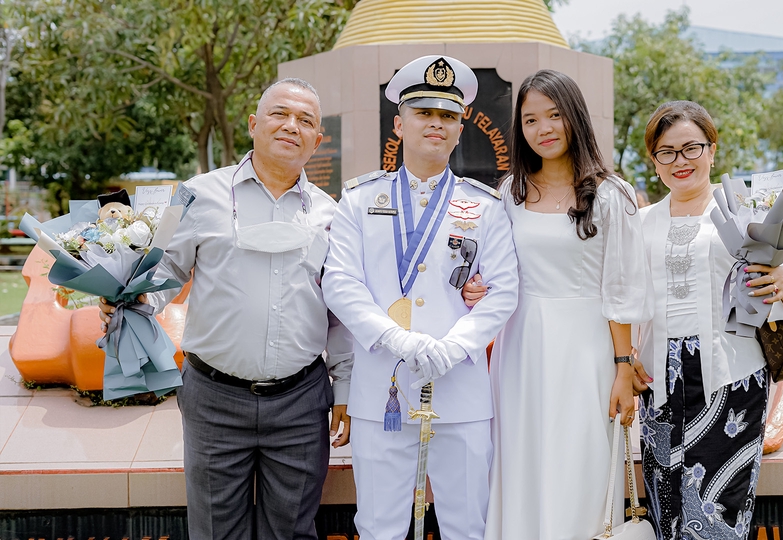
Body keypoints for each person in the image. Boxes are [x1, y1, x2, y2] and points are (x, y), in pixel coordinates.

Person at [99, 78, 353, 540]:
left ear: (317, 140)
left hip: (301, 402)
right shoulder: (196, 194)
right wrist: (131, 298)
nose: (291, 126)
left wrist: (348, 388)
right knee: (215, 532)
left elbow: (339, 311)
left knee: (293, 531)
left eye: (306, 121)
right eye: (279, 114)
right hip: (214, 398)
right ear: (254, 124)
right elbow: (165, 269)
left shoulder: (332, 213)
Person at [321, 55, 519, 540]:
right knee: (378, 525)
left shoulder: (486, 206)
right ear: (399, 122)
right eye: (424, 113)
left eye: (448, 116)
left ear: (460, 128)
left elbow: (503, 291)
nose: (436, 124)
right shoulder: (360, 200)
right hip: (383, 389)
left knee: (466, 524)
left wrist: (452, 347)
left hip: (461, 390)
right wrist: (398, 340)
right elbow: (341, 283)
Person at [465, 69, 654, 540]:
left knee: (582, 462)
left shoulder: (612, 194)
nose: (543, 129)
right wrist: (479, 288)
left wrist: (624, 369)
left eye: (554, 115)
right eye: (530, 120)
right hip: (520, 348)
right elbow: (499, 272)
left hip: (588, 348)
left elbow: (622, 289)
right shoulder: (510, 193)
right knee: (522, 460)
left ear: (574, 117)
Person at [631, 100, 783, 540]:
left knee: (719, 513)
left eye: (691, 148)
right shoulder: (640, 222)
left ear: (712, 149)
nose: (680, 161)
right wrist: (625, 355)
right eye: (666, 152)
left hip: (732, 378)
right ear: (654, 162)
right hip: (659, 380)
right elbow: (624, 296)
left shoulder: (745, 214)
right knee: (665, 504)